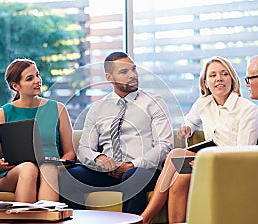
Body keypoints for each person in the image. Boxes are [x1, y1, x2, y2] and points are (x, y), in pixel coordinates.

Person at [141, 56, 258, 224]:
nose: (219, 78)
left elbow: (242, 155)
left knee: (178, 164)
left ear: (232, 79)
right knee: (179, 171)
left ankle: (146, 218)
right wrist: (187, 128)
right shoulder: (204, 103)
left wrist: (206, 162)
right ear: (205, 82)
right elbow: (190, 121)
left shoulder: (248, 109)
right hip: (209, 158)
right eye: (213, 75)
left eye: (224, 74)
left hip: (231, 167)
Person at [59, 51, 174, 215]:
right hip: (107, 173)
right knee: (68, 177)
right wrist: (99, 159)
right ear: (109, 77)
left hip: (142, 170)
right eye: (124, 72)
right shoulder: (97, 108)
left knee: (133, 176)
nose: (132, 75)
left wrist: (132, 165)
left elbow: (165, 146)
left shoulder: (154, 102)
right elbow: (84, 148)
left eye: (133, 69)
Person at [0, 58, 75, 203]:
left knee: (48, 168)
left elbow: (70, 152)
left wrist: (56, 163)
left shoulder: (58, 109)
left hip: (50, 168)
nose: (37, 80)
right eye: (30, 78)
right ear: (16, 86)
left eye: (37, 75)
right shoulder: (5, 112)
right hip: (15, 172)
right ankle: (23, 223)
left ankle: (47, 221)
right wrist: (6, 164)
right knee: (29, 168)